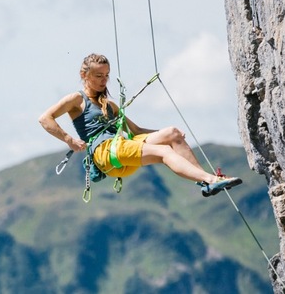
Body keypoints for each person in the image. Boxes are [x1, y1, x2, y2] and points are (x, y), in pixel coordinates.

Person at [39, 53, 242, 196]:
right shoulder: (77, 99)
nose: (104, 80)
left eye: (107, 75)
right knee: (164, 153)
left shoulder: (110, 106)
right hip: (106, 153)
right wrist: (69, 140)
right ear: (85, 76)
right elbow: (45, 118)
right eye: (98, 76)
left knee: (171, 134)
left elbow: (136, 131)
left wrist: (170, 134)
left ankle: (205, 183)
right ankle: (212, 179)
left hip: (121, 150)